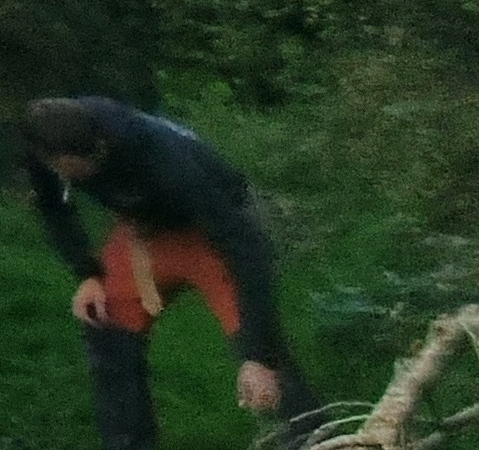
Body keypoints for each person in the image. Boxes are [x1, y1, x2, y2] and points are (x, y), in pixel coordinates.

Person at [24, 95, 320, 450]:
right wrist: (87, 273)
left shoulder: (160, 154)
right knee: (105, 322)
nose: (85, 172)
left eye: (91, 160)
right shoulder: (40, 149)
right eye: (72, 167)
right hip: (143, 231)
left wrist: (256, 355)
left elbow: (242, 243)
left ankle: (312, 438)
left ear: (100, 142)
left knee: (262, 348)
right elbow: (53, 208)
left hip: (210, 229)